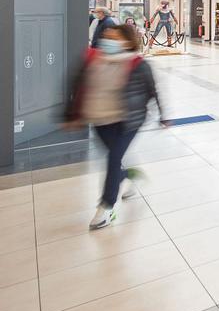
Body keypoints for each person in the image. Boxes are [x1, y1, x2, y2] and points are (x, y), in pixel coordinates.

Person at [64, 24, 167, 230]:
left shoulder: (139, 64)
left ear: (127, 42)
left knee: (113, 159)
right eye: (107, 36)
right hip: (100, 119)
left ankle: (106, 208)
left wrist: (164, 115)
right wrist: (70, 114)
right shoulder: (93, 59)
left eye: (114, 37)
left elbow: (152, 90)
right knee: (114, 159)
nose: (108, 39)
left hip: (128, 120)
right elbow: (76, 85)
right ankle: (128, 175)